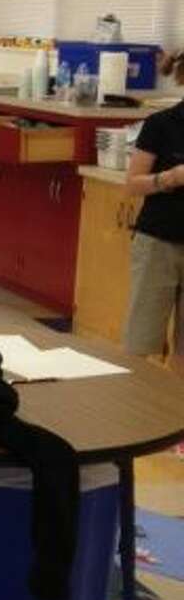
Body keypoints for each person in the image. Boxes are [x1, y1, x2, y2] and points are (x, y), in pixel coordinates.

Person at [123, 50, 184, 373]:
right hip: (158, 241)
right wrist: (170, 178)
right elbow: (133, 184)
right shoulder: (161, 124)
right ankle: (134, 415)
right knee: (141, 341)